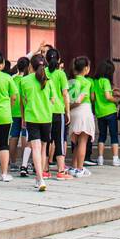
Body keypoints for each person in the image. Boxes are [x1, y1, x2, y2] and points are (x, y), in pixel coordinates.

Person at [19, 52, 55, 191]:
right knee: (43, 148)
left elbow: (24, 101)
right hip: (46, 117)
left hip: (32, 117)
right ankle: (40, 178)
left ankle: (39, 179)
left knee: (36, 148)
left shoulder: (24, 81)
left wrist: (23, 117)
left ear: (30, 66)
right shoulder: (49, 80)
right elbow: (52, 100)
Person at [67, 56, 97, 177]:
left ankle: (74, 166)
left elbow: (68, 99)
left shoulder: (70, 82)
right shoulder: (87, 82)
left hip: (73, 112)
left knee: (76, 142)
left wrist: (68, 109)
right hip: (83, 111)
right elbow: (79, 100)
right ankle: (80, 168)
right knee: (83, 141)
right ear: (86, 68)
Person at [45, 47, 71, 180]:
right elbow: (65, 94)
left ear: (46, 59)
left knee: (46, 141)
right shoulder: (61, 74)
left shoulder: (42, 72)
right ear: (59, 59)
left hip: (44, 112)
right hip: (58, 111)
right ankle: (61, 171)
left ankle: (45, 170)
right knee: (59, 140)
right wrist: (68, 112)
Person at [92, 58, 120, 166]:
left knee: (102, 135)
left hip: (100, 112)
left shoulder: (95, 82)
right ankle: (115, 159)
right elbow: (108, 97)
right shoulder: (106, 81)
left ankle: (100, 158)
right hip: (110, 111)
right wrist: (117, 101)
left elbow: (93, 97)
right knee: (114, 135)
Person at [9, 55, 32, 174]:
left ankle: (12, 163)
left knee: (13, 137)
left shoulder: (12, 79)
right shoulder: (27, 80)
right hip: (25, 112)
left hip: (12, 112)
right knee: (25, 137)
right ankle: (25, 163)